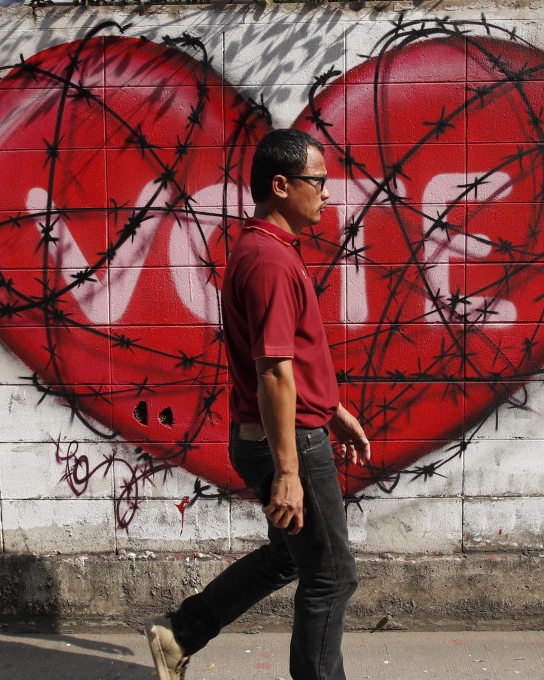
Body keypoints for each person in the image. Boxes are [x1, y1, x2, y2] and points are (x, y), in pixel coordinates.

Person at [145, 128, 371, 680]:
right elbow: (272, 371)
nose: (326, 193)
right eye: (317, 181)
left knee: (290, 557)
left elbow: (288, 359)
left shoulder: (264, 250)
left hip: (286, 433)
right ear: (281, 185)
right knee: (331, 574)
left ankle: (179, 635)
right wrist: (290, 469)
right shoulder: (270, 261)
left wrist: (332, 409)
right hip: (288, 443)